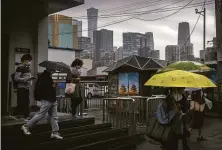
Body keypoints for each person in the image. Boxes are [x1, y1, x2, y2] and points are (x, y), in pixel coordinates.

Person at [21, 68, 63, 140]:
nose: (54, 71)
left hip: (52, 99)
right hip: (47, 99)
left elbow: (51, 88)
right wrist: (54, 84)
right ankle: (26, 126)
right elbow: (47, 89)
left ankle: (55, 132)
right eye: (53, 70)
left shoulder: (48, 76)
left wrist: (55, 83)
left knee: (54, 116)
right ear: (49, 69)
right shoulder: (44, 77)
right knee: (41, 114)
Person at [14, 54, 35, 120]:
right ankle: (25, 115)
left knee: (24, 101)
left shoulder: (27, 67)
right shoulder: (20, 67)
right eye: (29, 61)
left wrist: (29, 79)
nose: (30, 62)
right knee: (24, 102)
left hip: (26, 87)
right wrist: (26, 79)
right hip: (21, 87)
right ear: (25, 60)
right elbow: (16, 78)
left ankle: (20, 115)